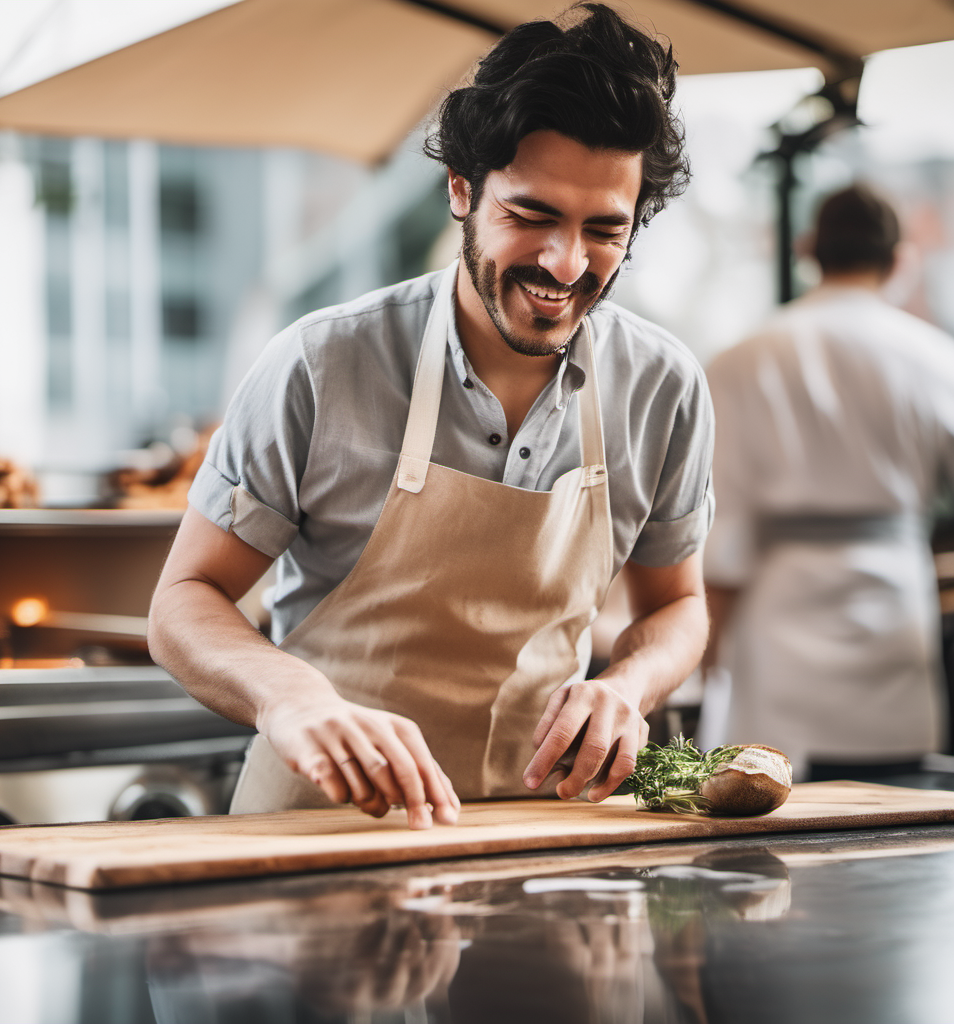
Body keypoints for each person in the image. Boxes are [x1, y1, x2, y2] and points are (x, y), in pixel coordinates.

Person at [148, 2, 714, 829]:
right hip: (324, 826)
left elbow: (678, 605)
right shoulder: (321, 363)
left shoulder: (665, 386)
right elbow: (184, 599)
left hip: (540, 835)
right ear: (462, 189)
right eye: (531, 215)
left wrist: (628, 684)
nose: (566, 263)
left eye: (604, 230)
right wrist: (289, 696)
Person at [702, 184, 954, 782]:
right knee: (900, 821)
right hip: (897, 598)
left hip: (778, 612)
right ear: (900, 258)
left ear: (809, 249)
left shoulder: (743, 358)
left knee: (771, 803)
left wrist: (703, 653)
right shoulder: (933, 357)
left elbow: (722, 527)